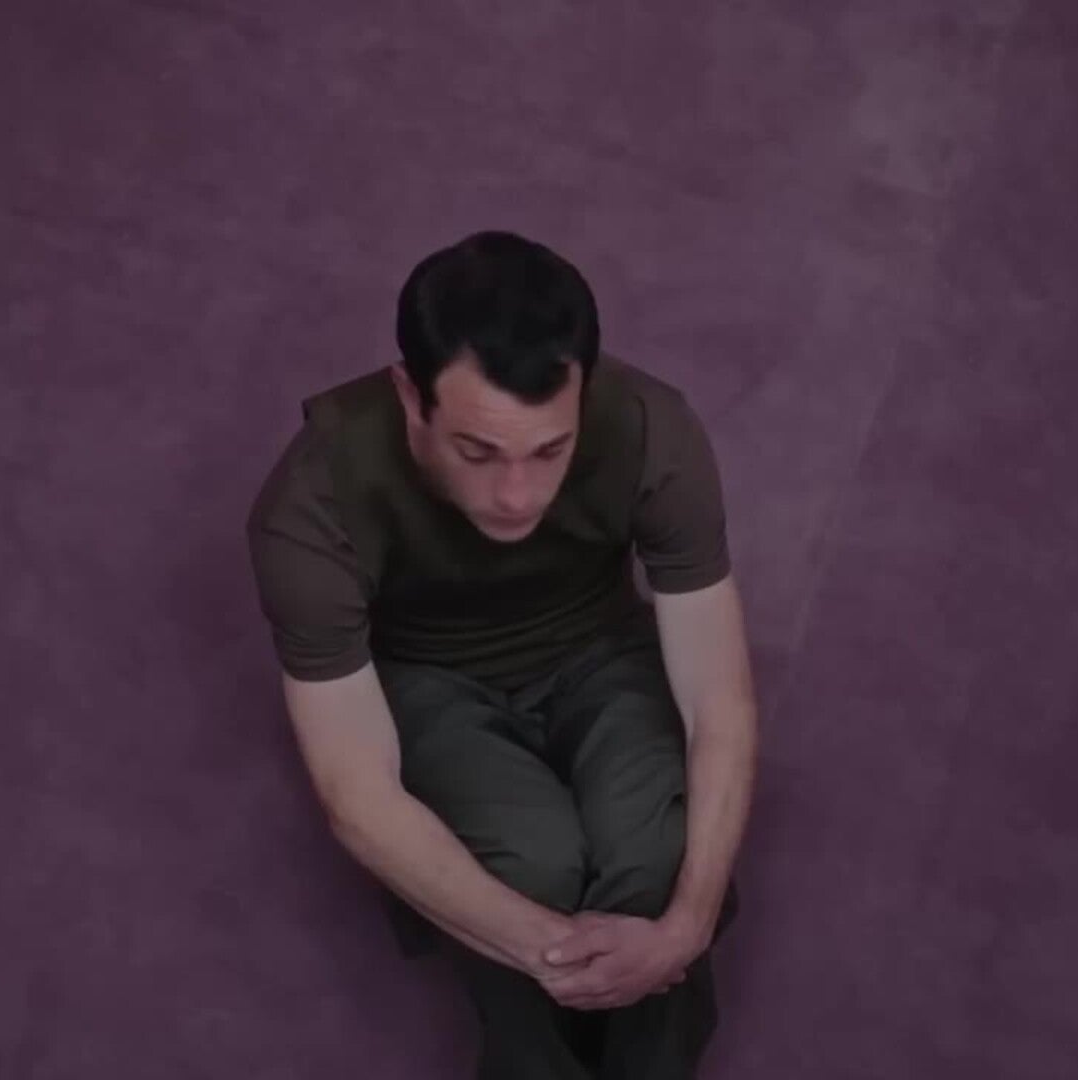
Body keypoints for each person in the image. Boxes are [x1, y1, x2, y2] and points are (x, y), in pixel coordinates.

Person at [244, 230, 759, 1079]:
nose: (517, 496)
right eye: (477, 452)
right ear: (410, 396)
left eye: (549, 450)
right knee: (531, 863)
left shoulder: (652, 428)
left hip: (599, 645)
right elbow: (356, 793)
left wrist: (686, 927)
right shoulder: (310, 509)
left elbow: (719, 700)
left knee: (654, 858)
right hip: (428, 676)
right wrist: (552, 951)